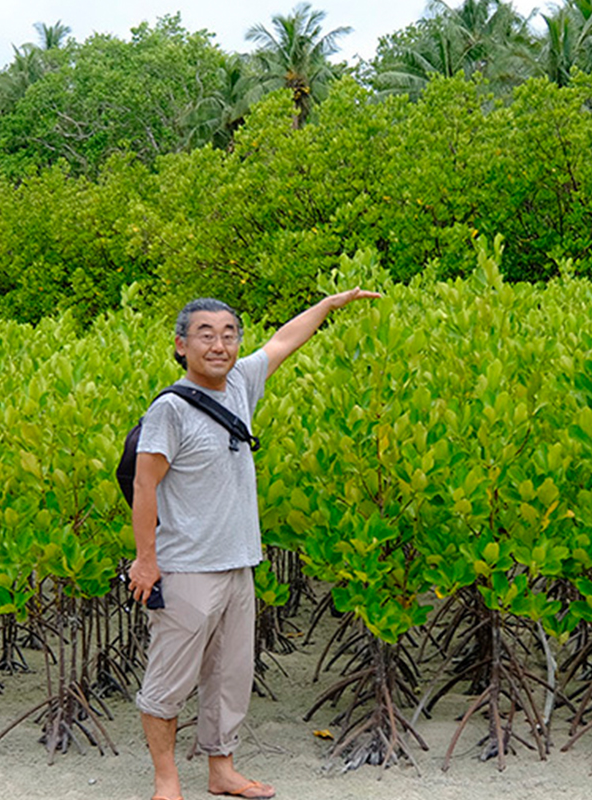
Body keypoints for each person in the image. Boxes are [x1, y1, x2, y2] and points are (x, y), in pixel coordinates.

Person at [127, 288, 381, 800]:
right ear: (180, 345)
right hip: (187, 569)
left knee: (229, 677)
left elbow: (285, 341)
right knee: (168, 681)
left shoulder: (241, 383)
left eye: (228, 334)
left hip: (239, 564)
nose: (219, 344)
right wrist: (146, 561)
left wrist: (328, 306)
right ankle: (166, 779)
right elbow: (143, 485)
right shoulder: (170, 410)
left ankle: (221, 771)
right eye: (205, 335)